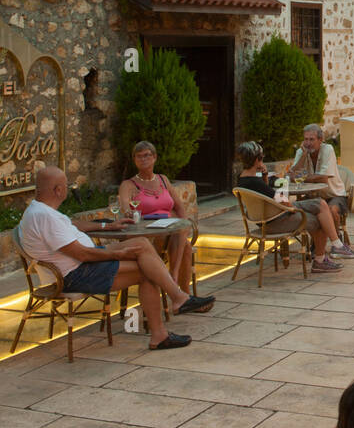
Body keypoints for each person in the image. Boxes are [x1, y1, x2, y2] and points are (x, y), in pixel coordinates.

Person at [19, 166, 214, 349]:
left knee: (141, 244)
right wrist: (115, 254)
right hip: (75, 275)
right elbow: (82, 254)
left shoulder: (40, 210)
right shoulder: (44, 217)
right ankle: (164, 327)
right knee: (147, 271)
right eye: (67, 185)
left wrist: (107, 226)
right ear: (59, 190)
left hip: (81, 266)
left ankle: (178, 300)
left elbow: (72, 225)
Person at [236, 142, 354, 271]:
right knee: (322, 219)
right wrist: (292, 209)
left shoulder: (243, 179)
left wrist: (265, 175)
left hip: (268, 217)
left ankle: (336, 245)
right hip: (276, 220)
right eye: (261, 158)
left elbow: (266, 193)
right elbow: (283, 200)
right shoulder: (254, 182)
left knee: (321, 204)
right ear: (257, 160)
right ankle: (321, 260)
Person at [118, 141, 195, 293]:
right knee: (185, 246)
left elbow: (179, 207)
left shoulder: (163, 180)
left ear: (154, 157)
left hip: (170, 230)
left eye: (147, 155)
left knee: (181, 233)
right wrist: (128, 211)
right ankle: (181, 290)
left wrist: (184, 224)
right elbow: (126, 207)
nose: (143, 159)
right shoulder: (128, 185)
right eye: (138, 156)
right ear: (134, 160)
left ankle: (177, 282)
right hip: (148, 233)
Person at [289, 125, 352, 243]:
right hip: (313, 196)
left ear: (320, 139)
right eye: (306, 139)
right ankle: (317, 244)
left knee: (331, 210)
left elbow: (323, 179)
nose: (308, 143)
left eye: (311, 139)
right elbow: (291, 175)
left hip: (334, 195)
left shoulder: (328, 149)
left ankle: (337, 241)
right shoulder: (301, 151)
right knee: (306, 214)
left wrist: (301, 178)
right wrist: (303, 156)